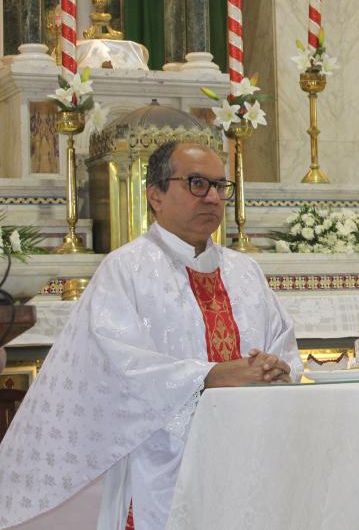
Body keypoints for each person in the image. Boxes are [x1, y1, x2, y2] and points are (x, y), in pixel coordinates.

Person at [0, 141, 301, 530]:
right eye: (197, 183)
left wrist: (275, 368)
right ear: (155, 195)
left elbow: (282, 344)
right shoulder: (126, 270)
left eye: (219, 186)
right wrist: (212, 375)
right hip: (160, 463)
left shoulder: (245, 272)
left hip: (247, 452)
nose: (212, 197)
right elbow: (116, 367)